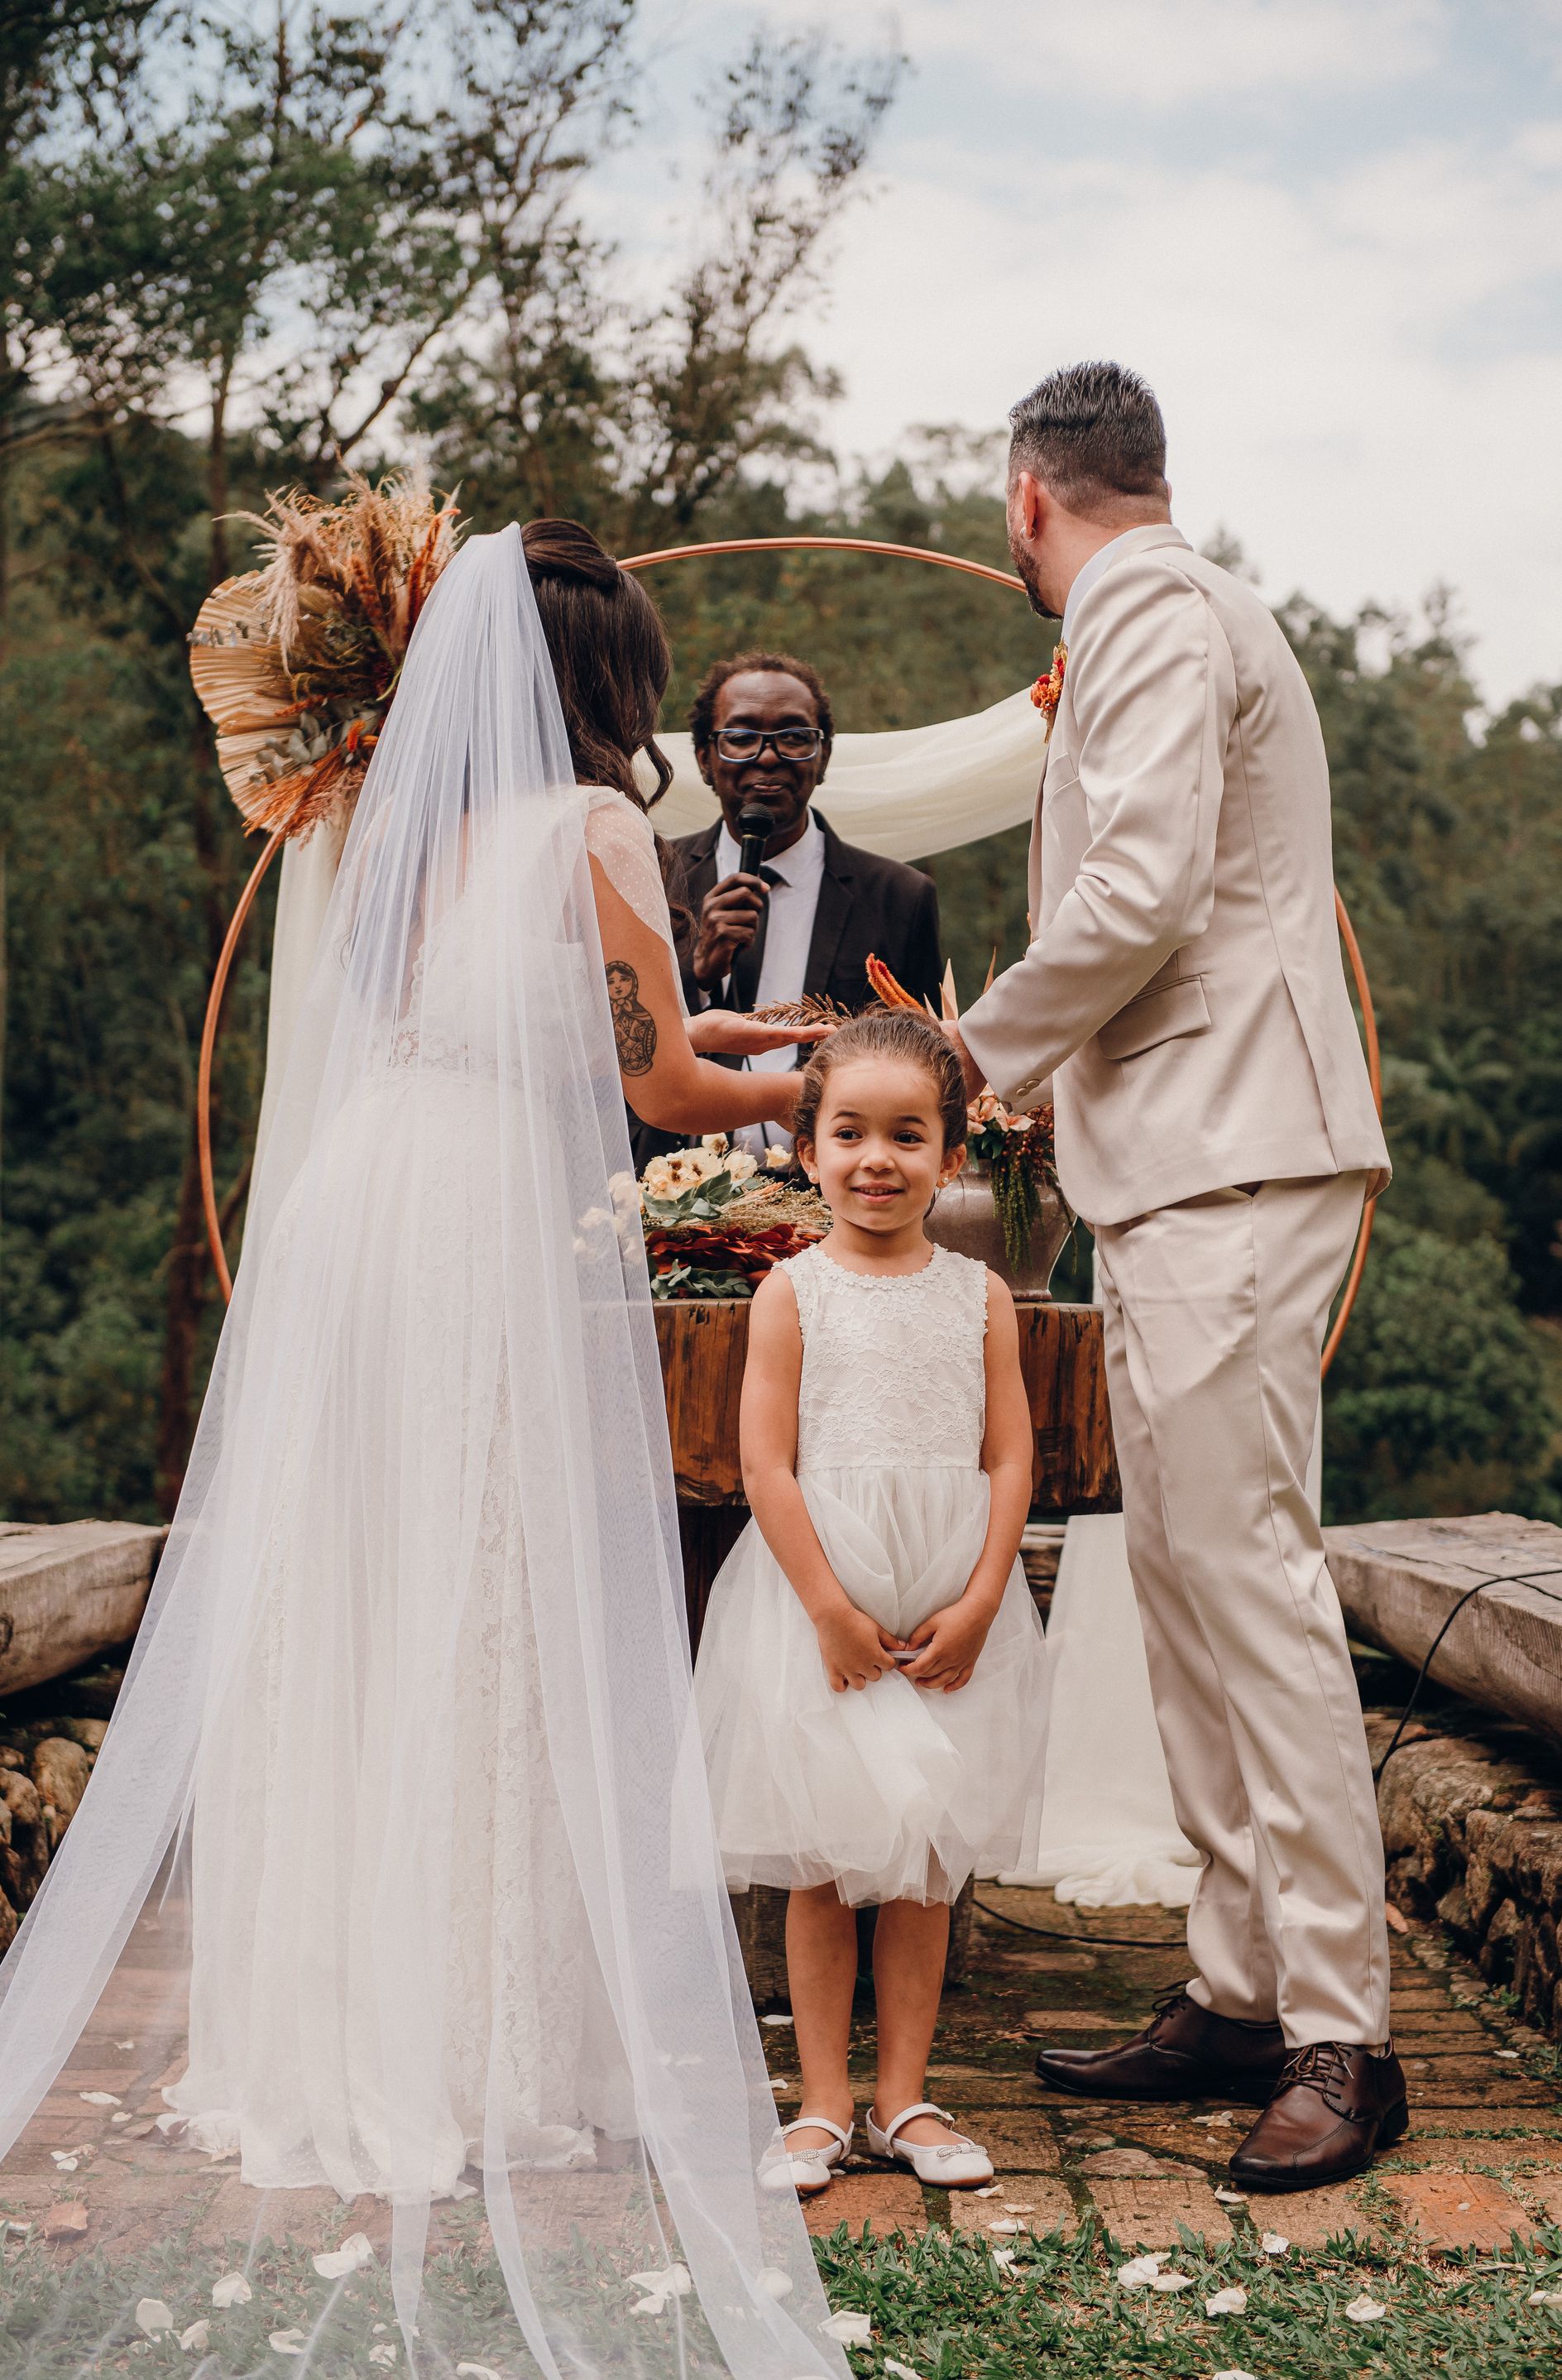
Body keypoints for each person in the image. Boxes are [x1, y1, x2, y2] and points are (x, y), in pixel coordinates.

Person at [0, 518, 845, 2380]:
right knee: (487, 1593)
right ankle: (476, 2045)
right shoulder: (600, 828)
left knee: (359, 1597)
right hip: (474, 1227)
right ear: (606, 680)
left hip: (357, 1205)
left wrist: (721, 1024)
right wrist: (852, 1078)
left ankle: (318, 2025)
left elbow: (523, 1013)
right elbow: (655, 1091)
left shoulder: (386, 827)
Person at [947, 362, 1403, 2194]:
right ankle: (1233, 1987)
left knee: (1258, 1582)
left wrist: (972, 1060)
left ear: (1031, 499)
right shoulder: (1189, 604)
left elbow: (1134, 892)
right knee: (1195, 1580)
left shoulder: (1145, 604)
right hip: (1188, 1159)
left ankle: (1342, 2039)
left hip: (1230, 1149)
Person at [692, 1010, 1047, 2198]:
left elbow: (1009, 1457)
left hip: (947, 1595)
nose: (878, 1159)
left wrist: (989, 1592)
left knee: (926, 1860)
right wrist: (830, 1611)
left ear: (954, 1154)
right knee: (825, 1858)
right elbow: (767, 1467)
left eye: (910, 1134)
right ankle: (825, 2104)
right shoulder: (792, 1294)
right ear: (809, 1148)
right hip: (821, 1603)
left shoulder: (980, 1296)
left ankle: (906, 2095)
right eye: (850, 1133)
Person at [668, 651, 945, 1162]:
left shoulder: (899, 897)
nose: (768, 757)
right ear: (705, 758)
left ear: (824, 756)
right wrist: (698, 973)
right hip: (665, 1186)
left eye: (794, 737)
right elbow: (618, 1045)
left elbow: (925, 1068)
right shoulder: (654, 878)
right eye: (742, 736)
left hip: (832, 1194)